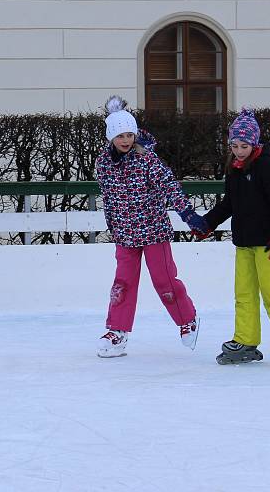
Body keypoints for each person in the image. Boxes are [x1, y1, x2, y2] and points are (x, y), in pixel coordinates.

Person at [95, 96, 206, 358]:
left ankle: (187, 320)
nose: (125, 140)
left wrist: (187, 213)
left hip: (154, 230)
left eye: (129, 135)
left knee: (164, 280)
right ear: (111, 137)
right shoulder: (103, 163)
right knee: (122, 283)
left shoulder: (147, 160)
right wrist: (113, 225)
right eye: (120, 135)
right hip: (125, 234)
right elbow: (108, 197)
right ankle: (117, 332)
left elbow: (169, 186)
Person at [198, 108, 270, 367]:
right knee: (243, 293)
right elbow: (229, 204)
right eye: (234, 145)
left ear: (254, 143)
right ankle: (245, 340)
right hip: (244, 242)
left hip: (268, 242)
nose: (238, 150)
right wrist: (207, 224)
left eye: (243, 145)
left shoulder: (265, 165)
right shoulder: (234, 168)